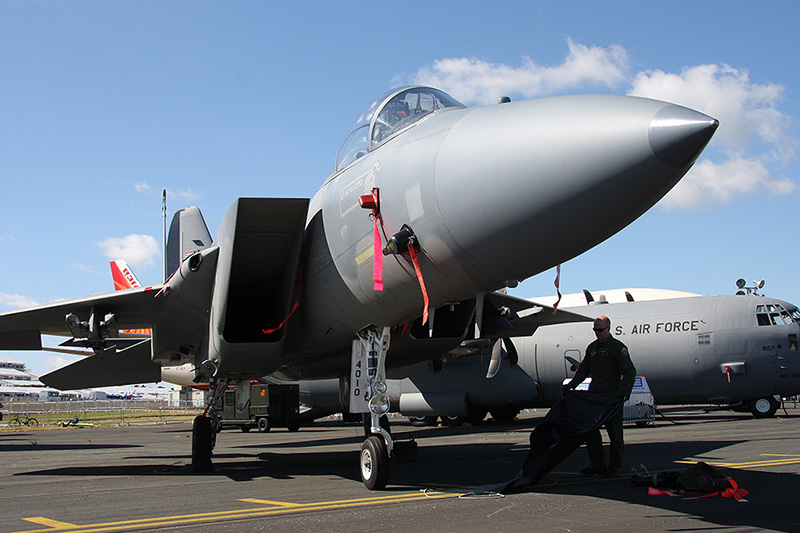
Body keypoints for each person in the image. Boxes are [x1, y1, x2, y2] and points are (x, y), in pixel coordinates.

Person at [563, 315, 636, 477]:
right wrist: (572, 385)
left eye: (600, 330)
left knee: (615, 434)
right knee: (591, 431)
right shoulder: (592, 348)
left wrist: (624, 392)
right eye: (595, 330)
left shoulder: (617, 348)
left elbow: (629, 371)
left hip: (611, 397)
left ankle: (614, 466)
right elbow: (583, 370)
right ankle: (597, 465)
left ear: (609, 329)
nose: (597, 333)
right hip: (595, 397)